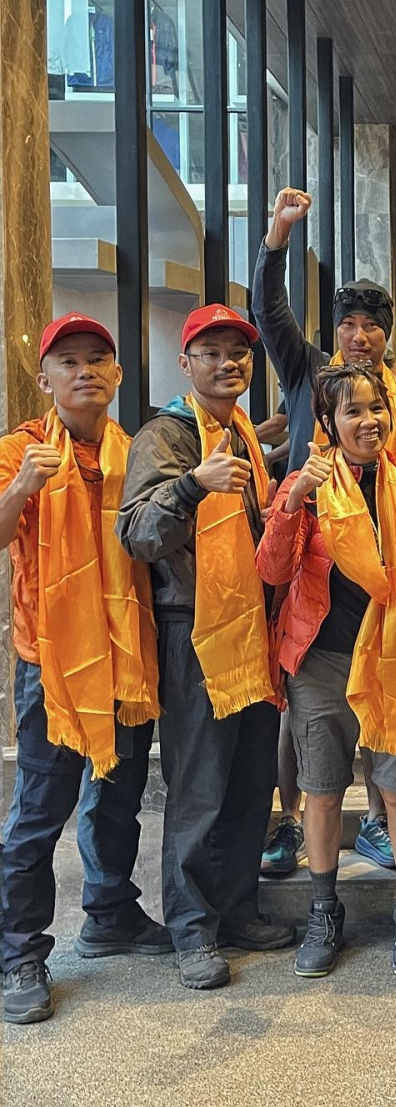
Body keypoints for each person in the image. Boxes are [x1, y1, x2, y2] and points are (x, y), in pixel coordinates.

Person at [252, 186, 396, 871]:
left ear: (388, 335)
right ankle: (288, 818)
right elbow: (269, 314)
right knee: (302, 709)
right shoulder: (309, 377)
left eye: (372, 327)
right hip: (304, 557)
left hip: (381, 578)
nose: (359, 336)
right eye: (349, 326)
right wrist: (278, 238)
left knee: (381, 710)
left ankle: (380, 822)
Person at [117, 303, 294, 991]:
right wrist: (193, 484)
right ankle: (191, 930)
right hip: (195, 629)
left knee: (251, 782)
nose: (230, 363)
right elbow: (137, 534)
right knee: (199, 787)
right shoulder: (167, 434)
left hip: (254, 625)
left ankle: (238, 907)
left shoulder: (240, 429)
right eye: (213, 352)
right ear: (185, 363)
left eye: (240, 353)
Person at [0, 314, 169, 1025]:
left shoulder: (136, 450)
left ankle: (108, 912)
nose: (86, 371)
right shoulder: (24, 448)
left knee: (118, 793)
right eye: (69, 362)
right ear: (45, 380)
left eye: (98, 359)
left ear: (118, 374)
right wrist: (21, 493)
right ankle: (18, 953)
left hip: (126, 655)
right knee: (41, 809)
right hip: (55, 662)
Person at [257, 363, 396, 979]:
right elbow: (273, 572)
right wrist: (295, 497)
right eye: (353, 411)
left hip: (393, 657)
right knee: (324, 790)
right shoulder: (309, 483)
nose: (369, 421)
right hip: (323, 659)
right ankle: (323, 909)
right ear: (328, 422)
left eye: (377, 408)